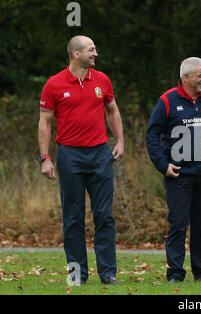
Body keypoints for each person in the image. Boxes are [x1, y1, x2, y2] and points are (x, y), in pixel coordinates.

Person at [38, 35, 124, 285]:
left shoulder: (102, 80)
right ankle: (77, 274)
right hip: (69, 156)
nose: (96, 53)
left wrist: (120, 141)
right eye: (91, 49)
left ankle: (108, 273)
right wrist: (45, 158)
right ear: (76, 54)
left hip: (100, 153)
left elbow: (113, 111)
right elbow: (44, 122)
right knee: (73, 218)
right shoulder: (54, 84)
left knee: (104, 216)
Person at [146, 57, 201, 283]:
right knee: (178, 225)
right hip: (179, 176)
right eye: (200, 76)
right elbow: (152, 136)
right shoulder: (167, 101)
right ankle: (175, 273)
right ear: (185, 78)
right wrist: (163, 166)